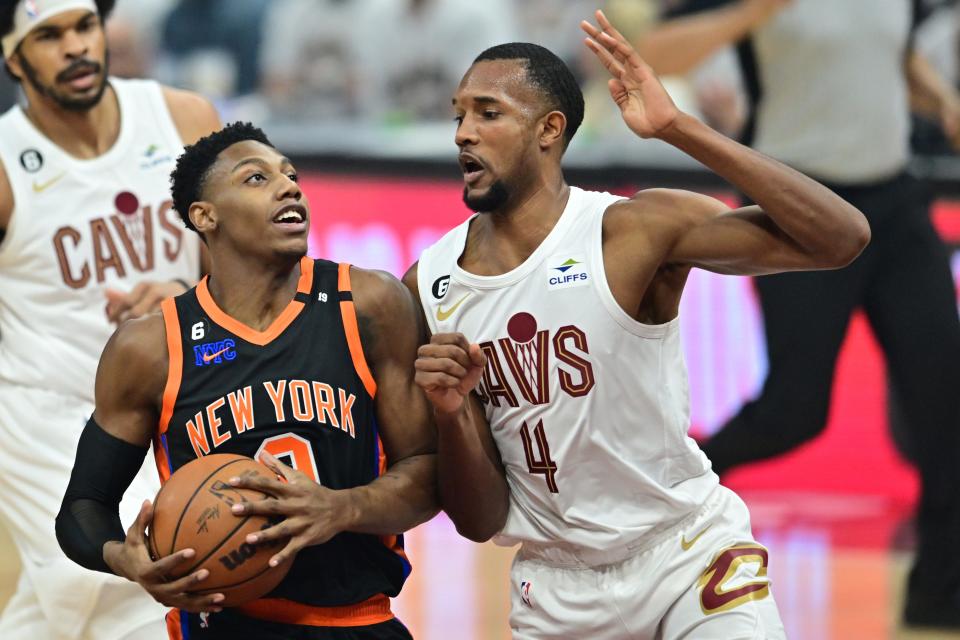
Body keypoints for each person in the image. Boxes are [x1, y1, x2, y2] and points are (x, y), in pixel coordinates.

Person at [406, 11, 870, 639]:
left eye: (488, 113)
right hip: (555, 584)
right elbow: (479, 519)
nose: (463, 132)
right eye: (458, 115)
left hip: (688, 554)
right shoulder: (431, 285)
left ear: (549, 130)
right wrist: (452, 413)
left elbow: (841, 238)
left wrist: (679, 128)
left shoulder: (630, 230)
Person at [640, 0, 960, 628]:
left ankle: (939, 603)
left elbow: (885, 52)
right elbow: (656, 53)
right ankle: (670, 491)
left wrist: (942, 100)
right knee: (795, 412)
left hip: (896, 201)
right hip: (798, 205)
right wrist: (756, 11)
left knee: (947, 409)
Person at [56, 122, 439, 639]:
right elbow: (83, 506)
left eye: (291, 175)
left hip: (359, 620)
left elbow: (429, 475)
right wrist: (124, 559)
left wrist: (341, 508)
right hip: (226, 625)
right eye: (256, 178)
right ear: (204, 215)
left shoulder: (368, 303)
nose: (289, 187)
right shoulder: (150, 348)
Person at [0, 1, 221, 638]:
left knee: (62, 607)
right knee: (130, 578)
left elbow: (252, 263)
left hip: (172, 398)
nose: (74, 47)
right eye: (48, 36)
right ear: (13, 57)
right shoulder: (6, 164)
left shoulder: (183, 117)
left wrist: (182, 288)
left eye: (83, 27)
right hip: (46, 410)